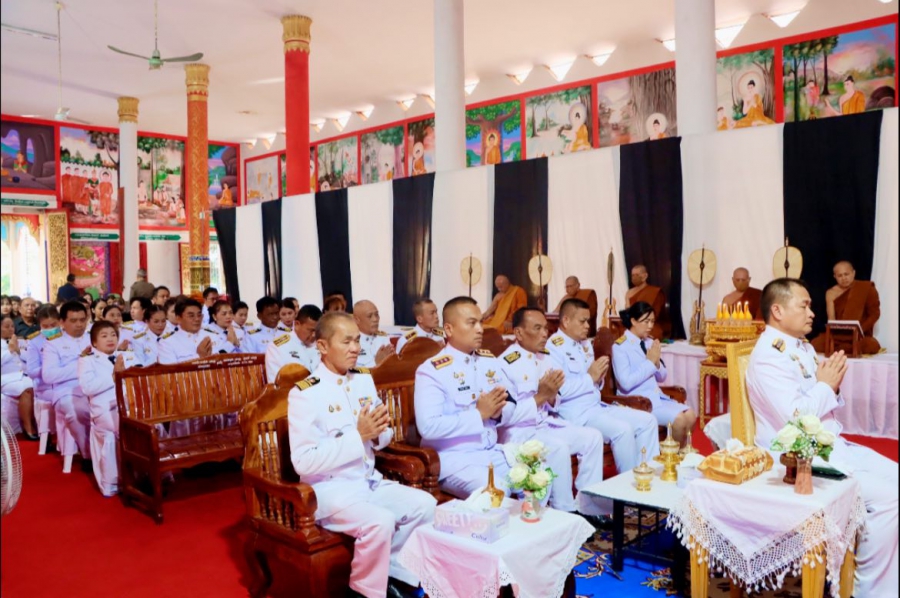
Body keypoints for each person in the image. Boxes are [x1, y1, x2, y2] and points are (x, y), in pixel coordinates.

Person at [747, 278, 897, 598]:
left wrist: (830, 386)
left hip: (828, 446)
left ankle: (885, 575)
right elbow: (797, 419)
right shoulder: (769, 356)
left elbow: (820, 405)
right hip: (796, 460)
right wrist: (825, 385)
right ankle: (869, 590)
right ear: (778, 311)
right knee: (890, 498)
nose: (812, 313)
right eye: (804, 305)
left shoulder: (799, 346)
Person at [288, 311, 435, 598]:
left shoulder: (363, 380)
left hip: (367, 482)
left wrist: (377, 434)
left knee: (425, 505)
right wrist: (359, 436)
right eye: (346, 342)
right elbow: (303, 461)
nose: (355, 348)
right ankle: (363, 592)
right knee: (379, 522)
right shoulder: (305, 393)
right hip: (330, 491)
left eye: (357, 340)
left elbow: (383, 433)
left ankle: (396, 577)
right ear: (322, 346)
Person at [499, 307, 608, 521]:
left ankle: (589, 506)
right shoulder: (505, 364)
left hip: (545, 423)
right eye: (537, 328)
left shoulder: (545, 358)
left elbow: (556, 401)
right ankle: (564, 512)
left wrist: (550, 397)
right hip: (520, 432)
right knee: (558, 448)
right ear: (519, 333)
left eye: (545, 329)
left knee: (593, 437)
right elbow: (505, 416)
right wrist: (540, 396)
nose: (544, 334)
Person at [414, 297, 529, 498]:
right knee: (497, 491)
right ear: (449, 329)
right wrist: (479, 414)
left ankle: (528, 519)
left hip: (489, 452)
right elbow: (428, 426)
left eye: (480, 322)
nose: (480, 329)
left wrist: (496, 413)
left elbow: (511, 402)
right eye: (471, 323)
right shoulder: (432, 370)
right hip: (455, 460)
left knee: (539, 477)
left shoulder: (488, 361)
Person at [547, 298, 660, 472]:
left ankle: (647, 475)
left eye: (589, 321)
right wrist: (590, 377)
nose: (587, 326)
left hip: (597, 406)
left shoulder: (584, 344)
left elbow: (594, 383)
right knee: (623, 430)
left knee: (648, 421)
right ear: (566, 321)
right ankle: (629, 483)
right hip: (576, 414)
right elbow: (560, 391)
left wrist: (598, 378)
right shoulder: (554, 347)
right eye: (583, 321)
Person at [612, 302, 696, 444]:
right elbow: (626, 383)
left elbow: (662, 376)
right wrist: (650, 363)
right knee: (679, 420)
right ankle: (671, 455)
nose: (650, 326)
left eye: (652, 321)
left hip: (656, 398)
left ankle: (680, 454)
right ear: (633, 321)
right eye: (646, 321)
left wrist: (656, 363)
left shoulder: (649, 342)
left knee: (691, 416)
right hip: (637, 402)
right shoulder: (620, 347)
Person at [78, 321, 139, 496]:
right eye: (104, 336)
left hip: (130, 403)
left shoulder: (128, 356)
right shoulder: (87, 361)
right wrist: (114, 376)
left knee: (151, 424)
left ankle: (147, 474)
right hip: (105, 407)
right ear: (94, 342)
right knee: (119, 426)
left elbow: (140, 378)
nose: (110, 339)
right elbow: (87, 388)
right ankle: (116, 481)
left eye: (113, 335)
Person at [42, 301, 92, 470]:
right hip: (67, 390)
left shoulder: (94, 338)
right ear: (62, 322)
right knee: (76, 410)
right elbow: (49, 375)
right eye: (73, 320)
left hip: (96, 386)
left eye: (82, 320)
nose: (79, 324)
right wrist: (82, 364)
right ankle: (88, 454)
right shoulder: (53, 344)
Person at [810, 260, 882, 354]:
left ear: (853, 273)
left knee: (871, 345)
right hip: (838, 335)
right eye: (840, 276)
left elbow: (875, 314)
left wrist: (859, 330)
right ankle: (847, 348)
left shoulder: (866, 288)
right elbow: (831, 319)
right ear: (835, 277)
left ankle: (842, 349)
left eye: (846, 274)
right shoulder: (831, 293)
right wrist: (836, 334)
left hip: (859, 335)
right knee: (816, 344)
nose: (844, 278)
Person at [23, 305, 61, 449]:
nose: (50, 329)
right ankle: (52, 437)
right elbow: (31, 371)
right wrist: (49, 367)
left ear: (60, 322)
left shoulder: (66, 337)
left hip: (65, 382)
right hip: (45, 386)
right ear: (39, 325)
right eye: (45, 326)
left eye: (53, 325)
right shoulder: (35, 342)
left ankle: (72, 440)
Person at [1, 314, 38, 439]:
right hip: (6, 379)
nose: (11, 329)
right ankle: (28, 428)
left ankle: (42, 427)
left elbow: (29, 358)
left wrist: (18, 350)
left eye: (12, 326)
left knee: (37, 385)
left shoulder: (19, 341)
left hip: (24, 375)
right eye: (7, 326)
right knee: (27, 388)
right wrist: (10, 350)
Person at [266, 304, 322, 381]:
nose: (314, 335)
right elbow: (276, 383)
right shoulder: (277, 347)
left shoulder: (322, 344)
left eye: (317, 331)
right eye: (311, 330)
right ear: (297, 324)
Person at [158, 299, 218, 364]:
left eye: (199, 315)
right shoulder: (167, 342)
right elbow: (170, 369)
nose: (197, 319)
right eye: (191, 316)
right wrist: (199, 356)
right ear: (178, 318)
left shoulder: (213, 335)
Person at [625, 265, 666, 339]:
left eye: (637, 275)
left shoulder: (654, 292)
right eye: (632, 275)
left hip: (650, 326)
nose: (634, 277)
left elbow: (655, 315)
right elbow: (628, 312)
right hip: (633, 324)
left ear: (645, 276)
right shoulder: (629, 293)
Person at [353, 300, 395, 368]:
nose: (375, 319)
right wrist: (375, 363)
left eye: (376, 315)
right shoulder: (351, 342)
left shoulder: (383, 338)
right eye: (369, 316)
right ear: (357, 320)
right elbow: (352, 371)